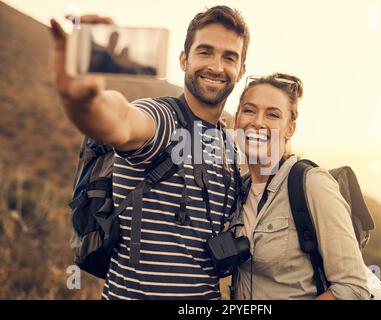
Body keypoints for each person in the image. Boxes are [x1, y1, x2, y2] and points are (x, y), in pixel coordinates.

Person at [49, 6, 249, 300]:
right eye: (205, 52)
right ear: (184, 59)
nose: (217, 67)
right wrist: (83, 101)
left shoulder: (229, 146)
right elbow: (120, 121)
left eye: (229, 57)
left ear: (241, 70)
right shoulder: (163, 119)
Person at [232, 73, 371, 300]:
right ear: (236, 119)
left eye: (273, 114)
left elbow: (353, 288)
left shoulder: (312, 184)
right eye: (249, 110)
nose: (257, 122)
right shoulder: (238, 190)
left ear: (290, 129)